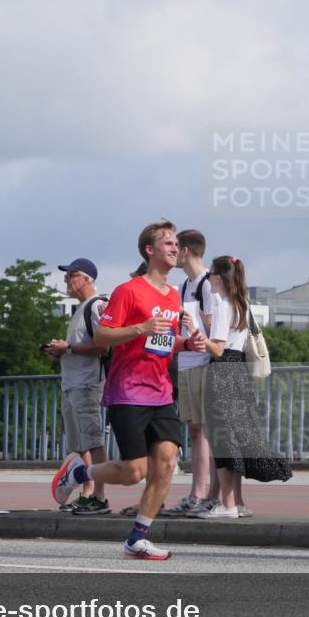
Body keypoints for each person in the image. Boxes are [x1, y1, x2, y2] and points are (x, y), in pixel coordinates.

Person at [53, 220, 199, 560]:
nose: (175, 248)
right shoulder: (128, 291)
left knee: (165, 464)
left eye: (176, 243)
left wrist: (189, 342)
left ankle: (138, 536)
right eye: (167, 243)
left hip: (161, 390)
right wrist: (139, 327)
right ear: (150, 250)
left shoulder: (173, 294)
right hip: (128, 391)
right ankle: (78, 472)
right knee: (134, 472)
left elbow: (161, 341)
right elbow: (103, 337)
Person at [191, 256, 291, 518]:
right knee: (234, 435)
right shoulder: (243, 304)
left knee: (221, 439)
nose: (207, 278)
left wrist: (197, 333)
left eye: (210, 274)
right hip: (239, 372)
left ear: (218, 278)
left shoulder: (223, 305)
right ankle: (236, 502)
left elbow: (218, 348)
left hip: (222, 371)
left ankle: (228, 504)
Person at [162, 229, 221, 518]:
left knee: (204, 430)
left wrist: (192, 326)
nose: (172, 252)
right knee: (196, 430)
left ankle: (204, 494)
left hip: (202, 363)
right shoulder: (185, 285)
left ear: (186, 251)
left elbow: (215, 332)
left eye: (176, 247)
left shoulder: (208, 284)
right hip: (186, 363)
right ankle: (198, 493)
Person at [46, 258, 111, 516]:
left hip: (87, 385)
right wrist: (61, 352)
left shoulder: (95, 306)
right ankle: (87, 491)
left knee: (93, 440)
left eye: (70, 275)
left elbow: (104, 346)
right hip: (72, 384)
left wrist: (69, 348)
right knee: (80, 443)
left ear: (86, 279)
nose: (66, 280)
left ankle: (99, 495)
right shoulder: (79, 309)